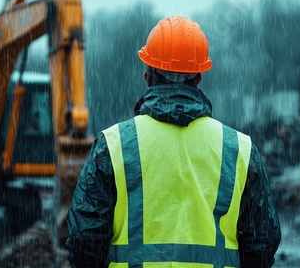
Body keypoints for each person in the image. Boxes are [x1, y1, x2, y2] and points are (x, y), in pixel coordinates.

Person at [66, 16, 281, 267]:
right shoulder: (240, 149)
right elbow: (262, 242)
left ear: (147, 76)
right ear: (199, 78)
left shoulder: (112, 146)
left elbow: (84, 241)